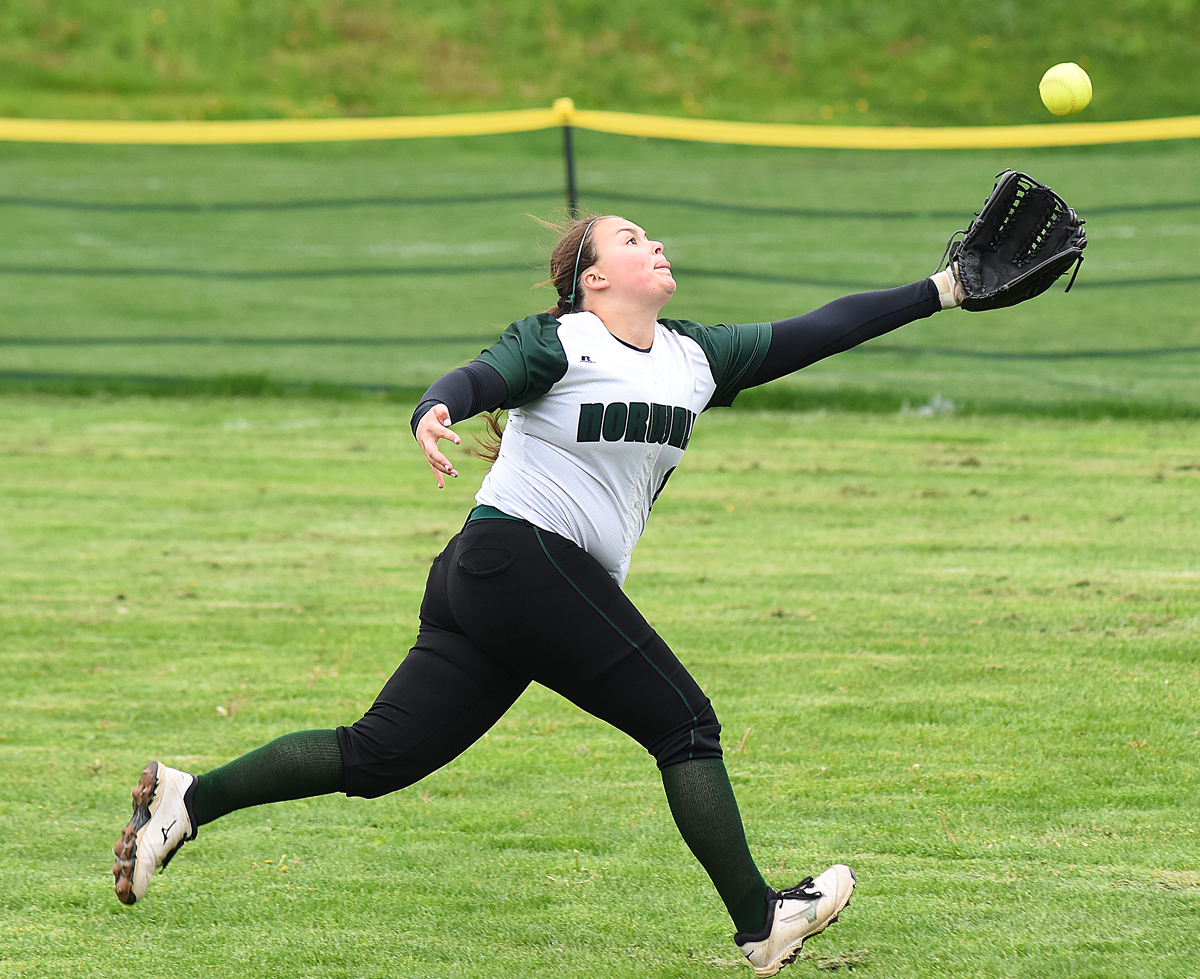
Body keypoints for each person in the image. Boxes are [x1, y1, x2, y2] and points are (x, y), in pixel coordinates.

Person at [112, 214, 966, 977]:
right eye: (631, 239)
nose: (654, 245)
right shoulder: (563, 341)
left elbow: (823, 327)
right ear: (593, 278)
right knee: (684, 724)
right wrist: (435, 408)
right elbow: (483, 375)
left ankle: (189, 799)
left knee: (379, 756)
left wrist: (946, 288)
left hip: (498, 581)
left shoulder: (695, 355)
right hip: (515, 558)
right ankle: (761, 921)